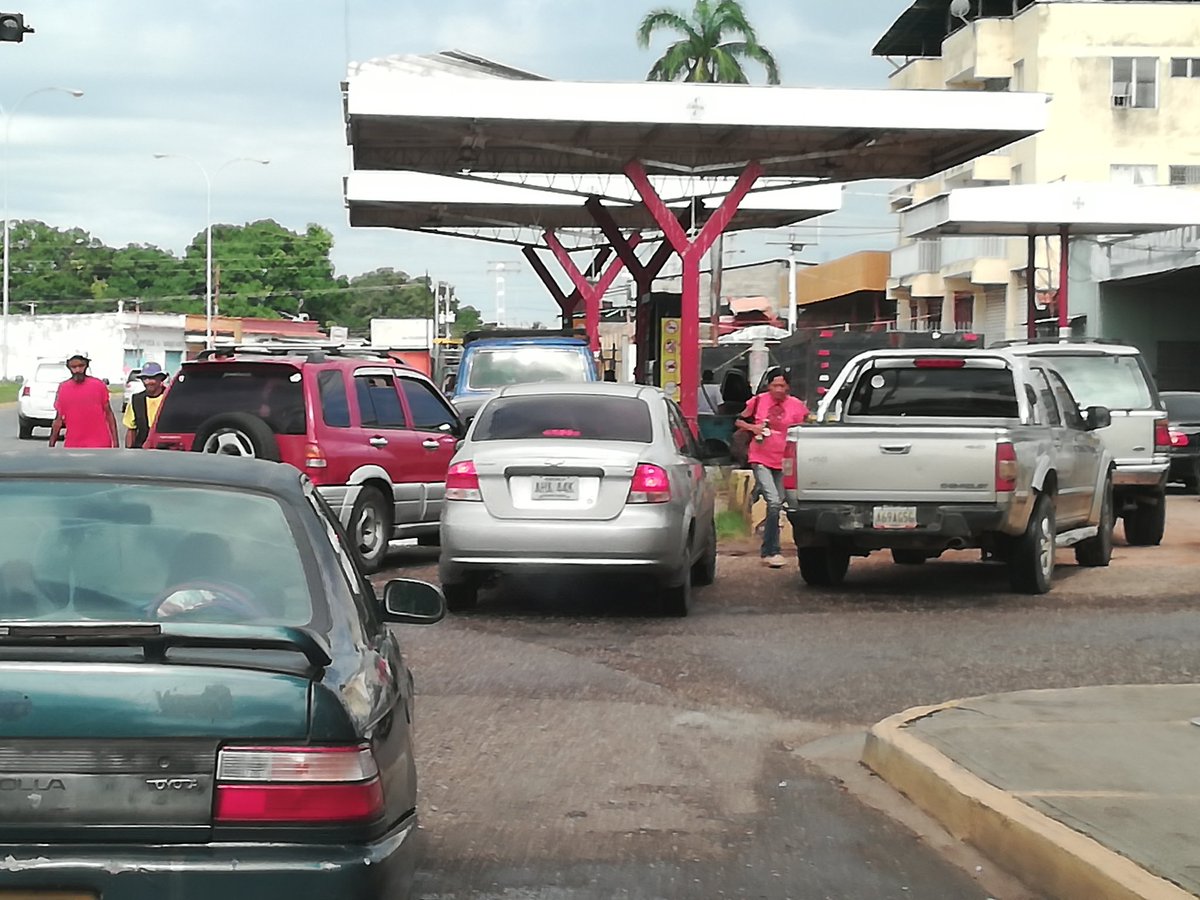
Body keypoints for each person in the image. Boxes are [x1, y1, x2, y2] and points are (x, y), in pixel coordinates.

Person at [734, 367, 809, 568]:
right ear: (768, 386)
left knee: (781, 502)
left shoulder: (797, 406)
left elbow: (806, 428)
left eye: (782, 386)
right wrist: (754, 428)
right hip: (760, 457)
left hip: (784, 461)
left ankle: (768, 541)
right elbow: (738, 420)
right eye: (774, 385)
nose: (778, 389)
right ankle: (771, 551)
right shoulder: (758, 401)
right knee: (774, 502)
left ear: (788, 387)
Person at [48, 351, 118, 449]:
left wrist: (115, 442)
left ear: (86, 365)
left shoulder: (98, 385)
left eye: (81, 366)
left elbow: (109, 414)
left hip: (100, 445)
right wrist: (51, 445)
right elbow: (58, 420)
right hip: (73, 444)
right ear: (69, 367)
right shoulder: (63, 388)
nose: (77, 370)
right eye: (74, 367)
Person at [123, 362, 169, 449]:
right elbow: (131, 429)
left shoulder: (170, 398)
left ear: (160, 379)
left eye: (152, 378)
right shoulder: (136, 400)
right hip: (141, 450)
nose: (147, 382)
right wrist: (128, 452)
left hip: (165, 450)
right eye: (144, 378)